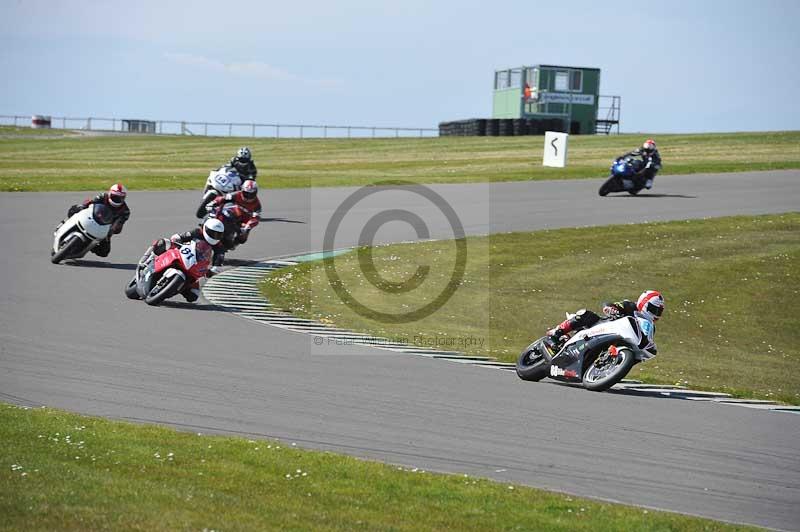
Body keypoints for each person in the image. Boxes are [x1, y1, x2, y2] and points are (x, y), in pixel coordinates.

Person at [546, 290, 665, 354]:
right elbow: (610, 305)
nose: (655, 313)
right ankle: (557, 333)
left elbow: (646, 341)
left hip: (622, 342)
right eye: (654, 309)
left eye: (658, 311)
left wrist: (651, 348)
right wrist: (611, 309)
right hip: (602, 326)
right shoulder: (630, 306)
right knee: (586, 314)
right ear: (644, 303)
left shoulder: (651, 327)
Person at [150, 218, 226, 302]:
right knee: (163, 243)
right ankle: (151, 259)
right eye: (213, 233)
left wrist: (213, 270)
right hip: (183, 253)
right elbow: (181, 236)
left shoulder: (219, 247)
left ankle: (174, 288)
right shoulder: (198, 232)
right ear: (206, 229)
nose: (215, 236)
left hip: (196, 266)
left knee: (193, 295)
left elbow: (219, 261)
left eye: (218, 234)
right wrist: (177, 238)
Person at [67, 183, 130, 257]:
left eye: (120, 198)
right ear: (110, 194)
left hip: (105, 228)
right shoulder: (103, 196)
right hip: (92, 218)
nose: (117, 200)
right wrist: (83, 206)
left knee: (104, 252)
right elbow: (92, 203)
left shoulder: (125, 211)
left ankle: (90, 246)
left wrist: (112, 230)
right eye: (115, 197)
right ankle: (65, 223)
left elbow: (119, 223)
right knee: (75, 209)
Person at [207, 179, 261, 264]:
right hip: (227, 213)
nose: (248, 196)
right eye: (246, 193)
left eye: (251, 194)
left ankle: (229, 245)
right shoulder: (236, 194)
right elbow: (223, 198)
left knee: (243, 238)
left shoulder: (257, 204)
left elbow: (256, 218)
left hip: (241, 222)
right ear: (242, 190)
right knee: (212, 215)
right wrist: (213, 203)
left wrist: (248, 226)